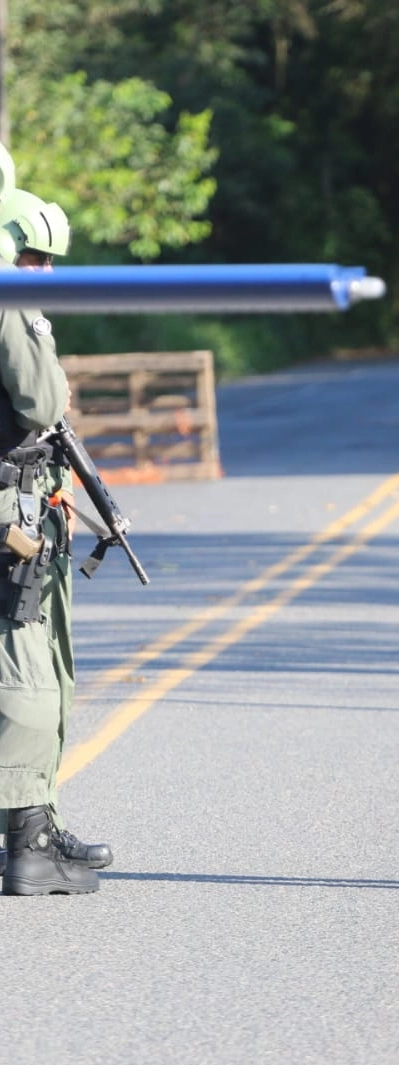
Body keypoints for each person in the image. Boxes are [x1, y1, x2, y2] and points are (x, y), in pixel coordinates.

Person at [0, 185, 111, 895]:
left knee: (37, 666)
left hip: (27, 501)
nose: (43, 272)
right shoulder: (10, 304)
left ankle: (33, 821)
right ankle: (28, 840)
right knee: (28, 671)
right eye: (33, 257)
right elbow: (42, 401)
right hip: (10, 515)